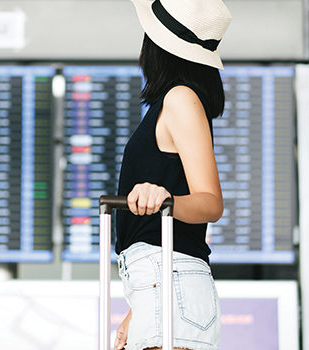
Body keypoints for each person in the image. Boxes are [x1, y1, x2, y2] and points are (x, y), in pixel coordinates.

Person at [113, 0, 232, 349]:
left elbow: (210, 203)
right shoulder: (173, 100)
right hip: (161, 283)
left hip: (169, 280)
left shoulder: (180, 98)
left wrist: (166, 199)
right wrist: (142, 305)